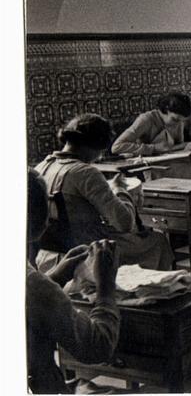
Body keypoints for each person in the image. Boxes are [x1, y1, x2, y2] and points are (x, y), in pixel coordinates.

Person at [34, 114, 174, 271]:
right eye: (100, 150)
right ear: (93, 146)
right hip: (89, 251)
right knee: (157, 241)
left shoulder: (41, 167)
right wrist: (119, 189)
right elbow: (125, 223)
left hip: (49, 253)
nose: (99, 156)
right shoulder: (85, 172)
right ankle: (154, 291)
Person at [27, 169, 121, 394]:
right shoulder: (34, 286)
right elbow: (97, 347)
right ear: (42, 221)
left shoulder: (32, 282)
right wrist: (106, 286)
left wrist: (55, 277)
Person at [111, 92, 191, 156]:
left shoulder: (179, 121)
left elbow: (175, 147)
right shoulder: (146, 119)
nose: (179, 124)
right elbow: (116, 147)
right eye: (175, 120)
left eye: (182, 121)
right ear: (166, 110)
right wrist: (153, 148)